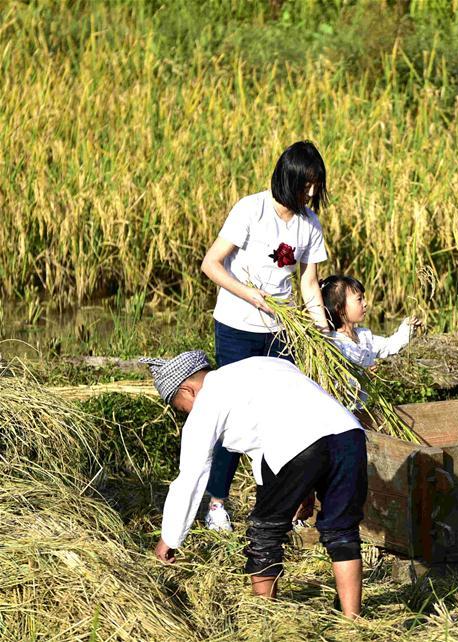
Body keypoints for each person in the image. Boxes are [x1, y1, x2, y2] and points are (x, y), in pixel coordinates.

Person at [141, 351, 367, 617]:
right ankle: (353, 622)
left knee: (265, 533)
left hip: (298, 444)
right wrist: (304, 489)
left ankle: (264, 619)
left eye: (181, 408)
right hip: (349, 434)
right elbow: (300, 425)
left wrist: (170, 537)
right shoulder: (263, 365)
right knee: (342, 531)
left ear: (187, 390)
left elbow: (192, 474)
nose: (186, 413)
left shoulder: (208, 400)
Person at [199, 141, 332, 532]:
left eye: (315, 186)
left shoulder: (309, 225)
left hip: (281, 332)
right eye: (305, 185)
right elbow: (212, 264)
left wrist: (322, 332)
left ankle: (276, 505)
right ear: (287, 178)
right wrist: (252, 296)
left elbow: (309, 283)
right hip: (238, 328)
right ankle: (217, 503)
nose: (310, 194)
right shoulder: (251, 209)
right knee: (233, 414)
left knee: (280, 420)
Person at [320, 275, 421, 410]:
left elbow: (389, 345)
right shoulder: (334, 343)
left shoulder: (364, 336)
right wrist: (364, 378)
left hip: (364, 410)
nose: (365, 303)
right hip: (345, 412)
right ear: (340, 309)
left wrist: (407, 327)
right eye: (359, 299)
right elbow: (338, 385)